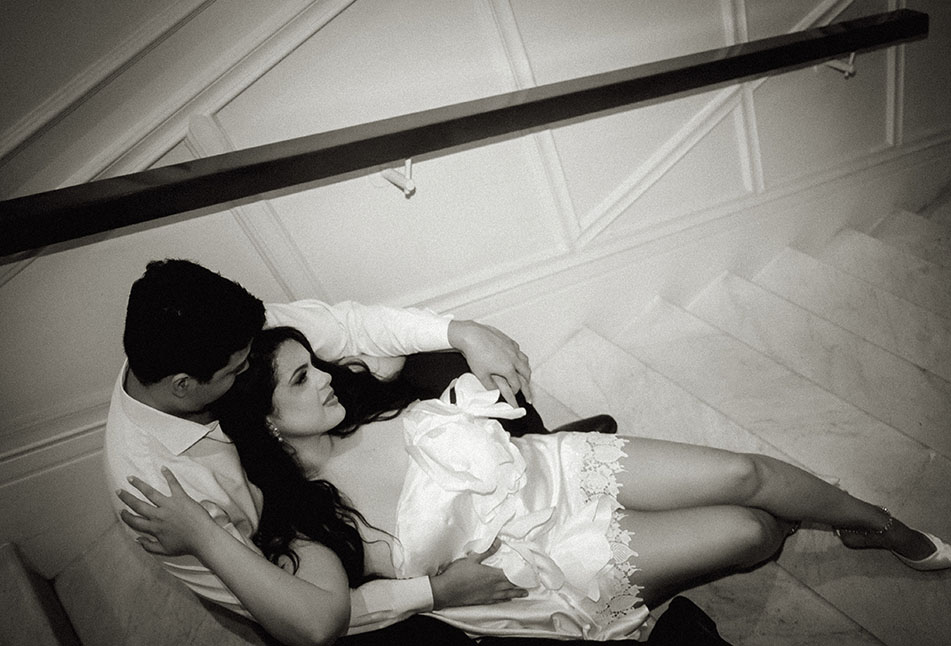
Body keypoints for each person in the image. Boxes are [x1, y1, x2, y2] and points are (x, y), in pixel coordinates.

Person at [118, 326, 951, 645]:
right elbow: (316, 622)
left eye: (314, 364)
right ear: (263, 422)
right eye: (300, 381)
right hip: (549, 554)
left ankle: (880, 525)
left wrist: (442, 339)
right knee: (750, 532)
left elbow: (388, 338)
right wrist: (199, 536)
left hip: (556, 470)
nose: (324, 379)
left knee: (745, 473)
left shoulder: (366, 400)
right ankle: (784, 531)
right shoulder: (306, 520)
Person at [104, 259, 619, 646]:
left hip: (311, 464)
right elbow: (304, 613)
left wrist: (462, 332)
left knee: (439, 372)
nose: (247, 369)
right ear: (184, 386)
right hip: (295, 572)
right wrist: (434, 593)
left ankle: (538, 468)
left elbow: (350, 328)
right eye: (237, 372)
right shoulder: (150, 489)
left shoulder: (221, 330)